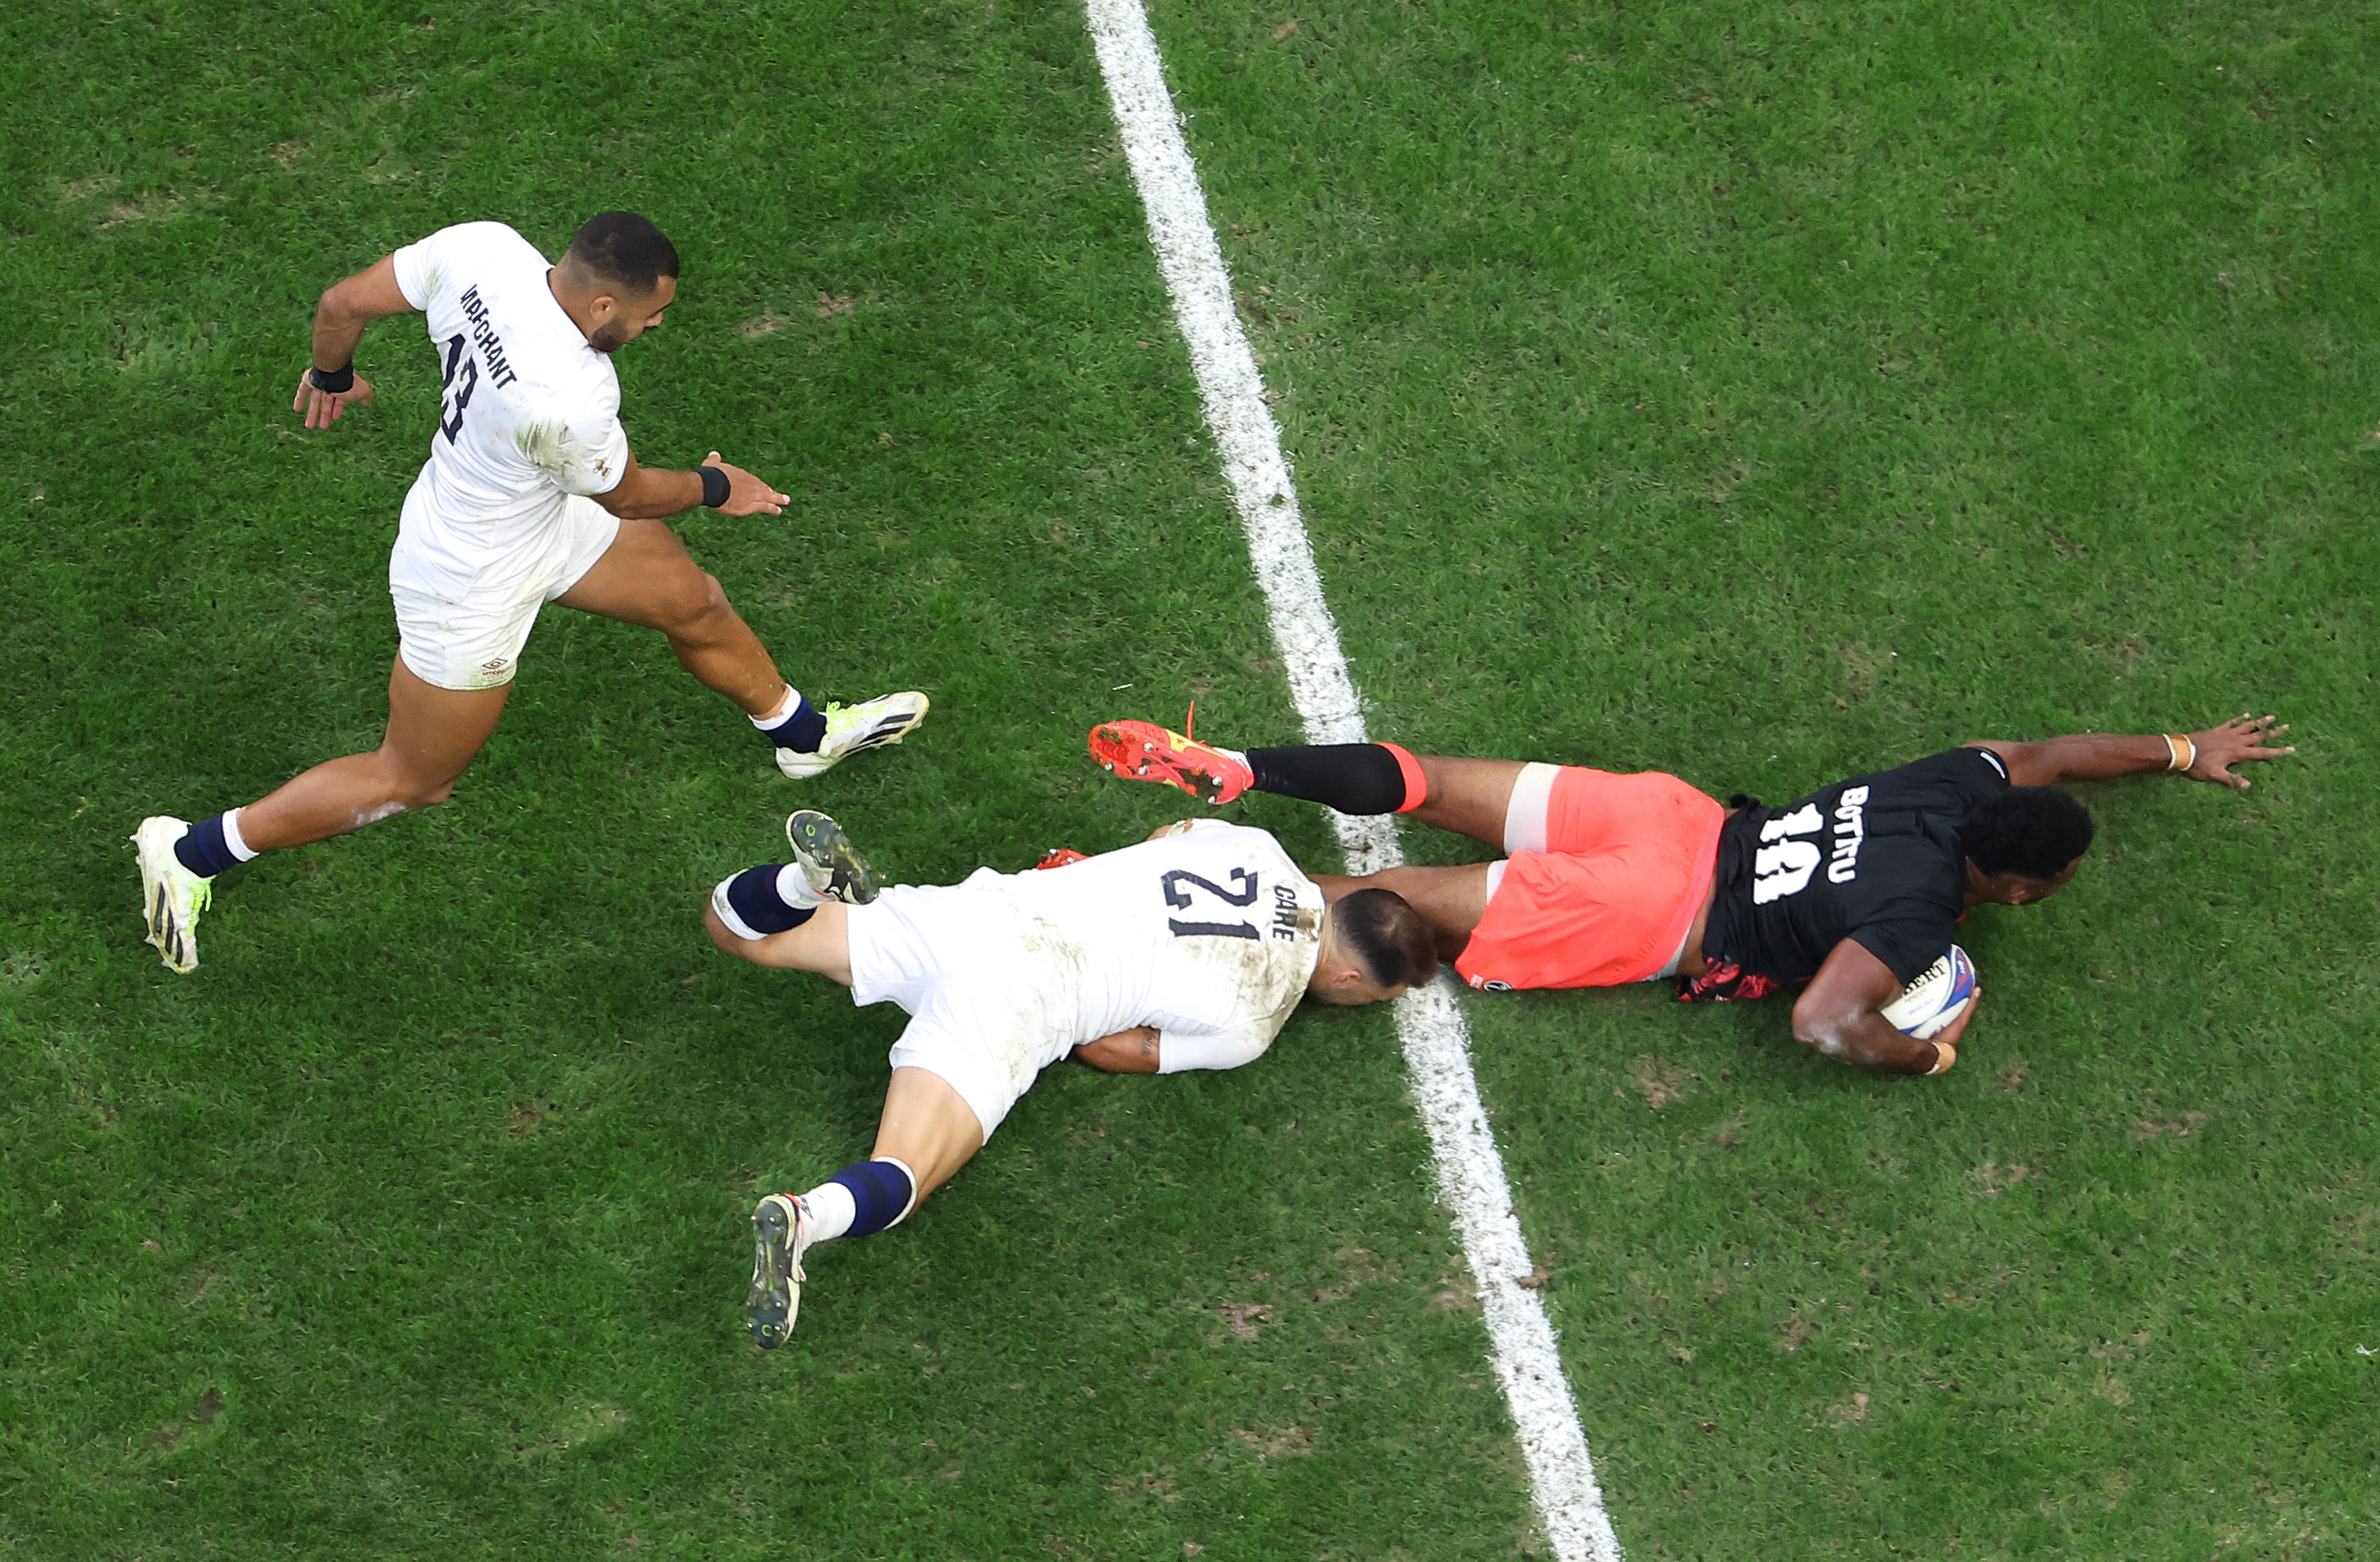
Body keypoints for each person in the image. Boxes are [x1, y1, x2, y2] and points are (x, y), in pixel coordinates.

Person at [132, 212, 928, 972]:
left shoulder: (486, 251)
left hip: (532, 508)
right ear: (605, 302)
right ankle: (189, 851)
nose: (656, 327)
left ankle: (800, 732)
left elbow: (342, 303)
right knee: (413, 778)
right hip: (469, 577)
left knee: (694, 602)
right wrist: (719, 484)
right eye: (653, 315)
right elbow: (631, 494)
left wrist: (330, 371)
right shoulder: (571, 398)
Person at [1087, 713, 2296, 1076]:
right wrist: (1925, 1055)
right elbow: (1823, 1020)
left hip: (1671, 815)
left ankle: (1251, 771)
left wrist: (2182, 749)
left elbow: (2064, 752)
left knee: (1429, 778)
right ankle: (1125, 923)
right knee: (1366, 917)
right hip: (1653, 914)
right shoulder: (1916, 916)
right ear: (2014, 889)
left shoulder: (1956, 782)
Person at [705, 808, 1441, 1348]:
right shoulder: (1256, 1021)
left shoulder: (1256, 843)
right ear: (1348, 976)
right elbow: (1114, 1050)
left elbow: (1158, 842)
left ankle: (803, 884)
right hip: (1022, 998)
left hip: (990, 910)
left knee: (740, 934)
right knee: (905, 1170)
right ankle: (806, 1218)